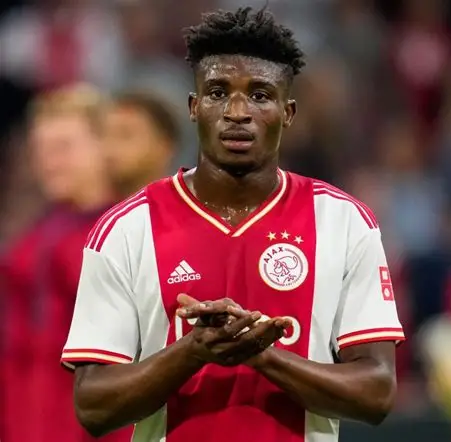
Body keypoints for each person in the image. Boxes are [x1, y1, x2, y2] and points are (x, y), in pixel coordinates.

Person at [61, 7, 405, 442]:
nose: (237, 111)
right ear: (194, 107)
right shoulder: (127, 228)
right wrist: (193, 350)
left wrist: (262, 354)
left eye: (260, 95)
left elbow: (377, 393)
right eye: (218, 93)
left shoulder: (345, 222)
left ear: (288, 112)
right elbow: (92, 406)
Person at [0, 84, 131, 442]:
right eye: (40, 150)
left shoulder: (126, 233)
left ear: (104, 146)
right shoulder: (40, 229)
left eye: (64, 147)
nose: (49, 162)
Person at [102, 90, 179, 198]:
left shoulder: (190, 205)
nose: (110, 147)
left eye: (125, 135)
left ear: (164, 146)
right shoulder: (90, 205)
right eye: (105, 135)